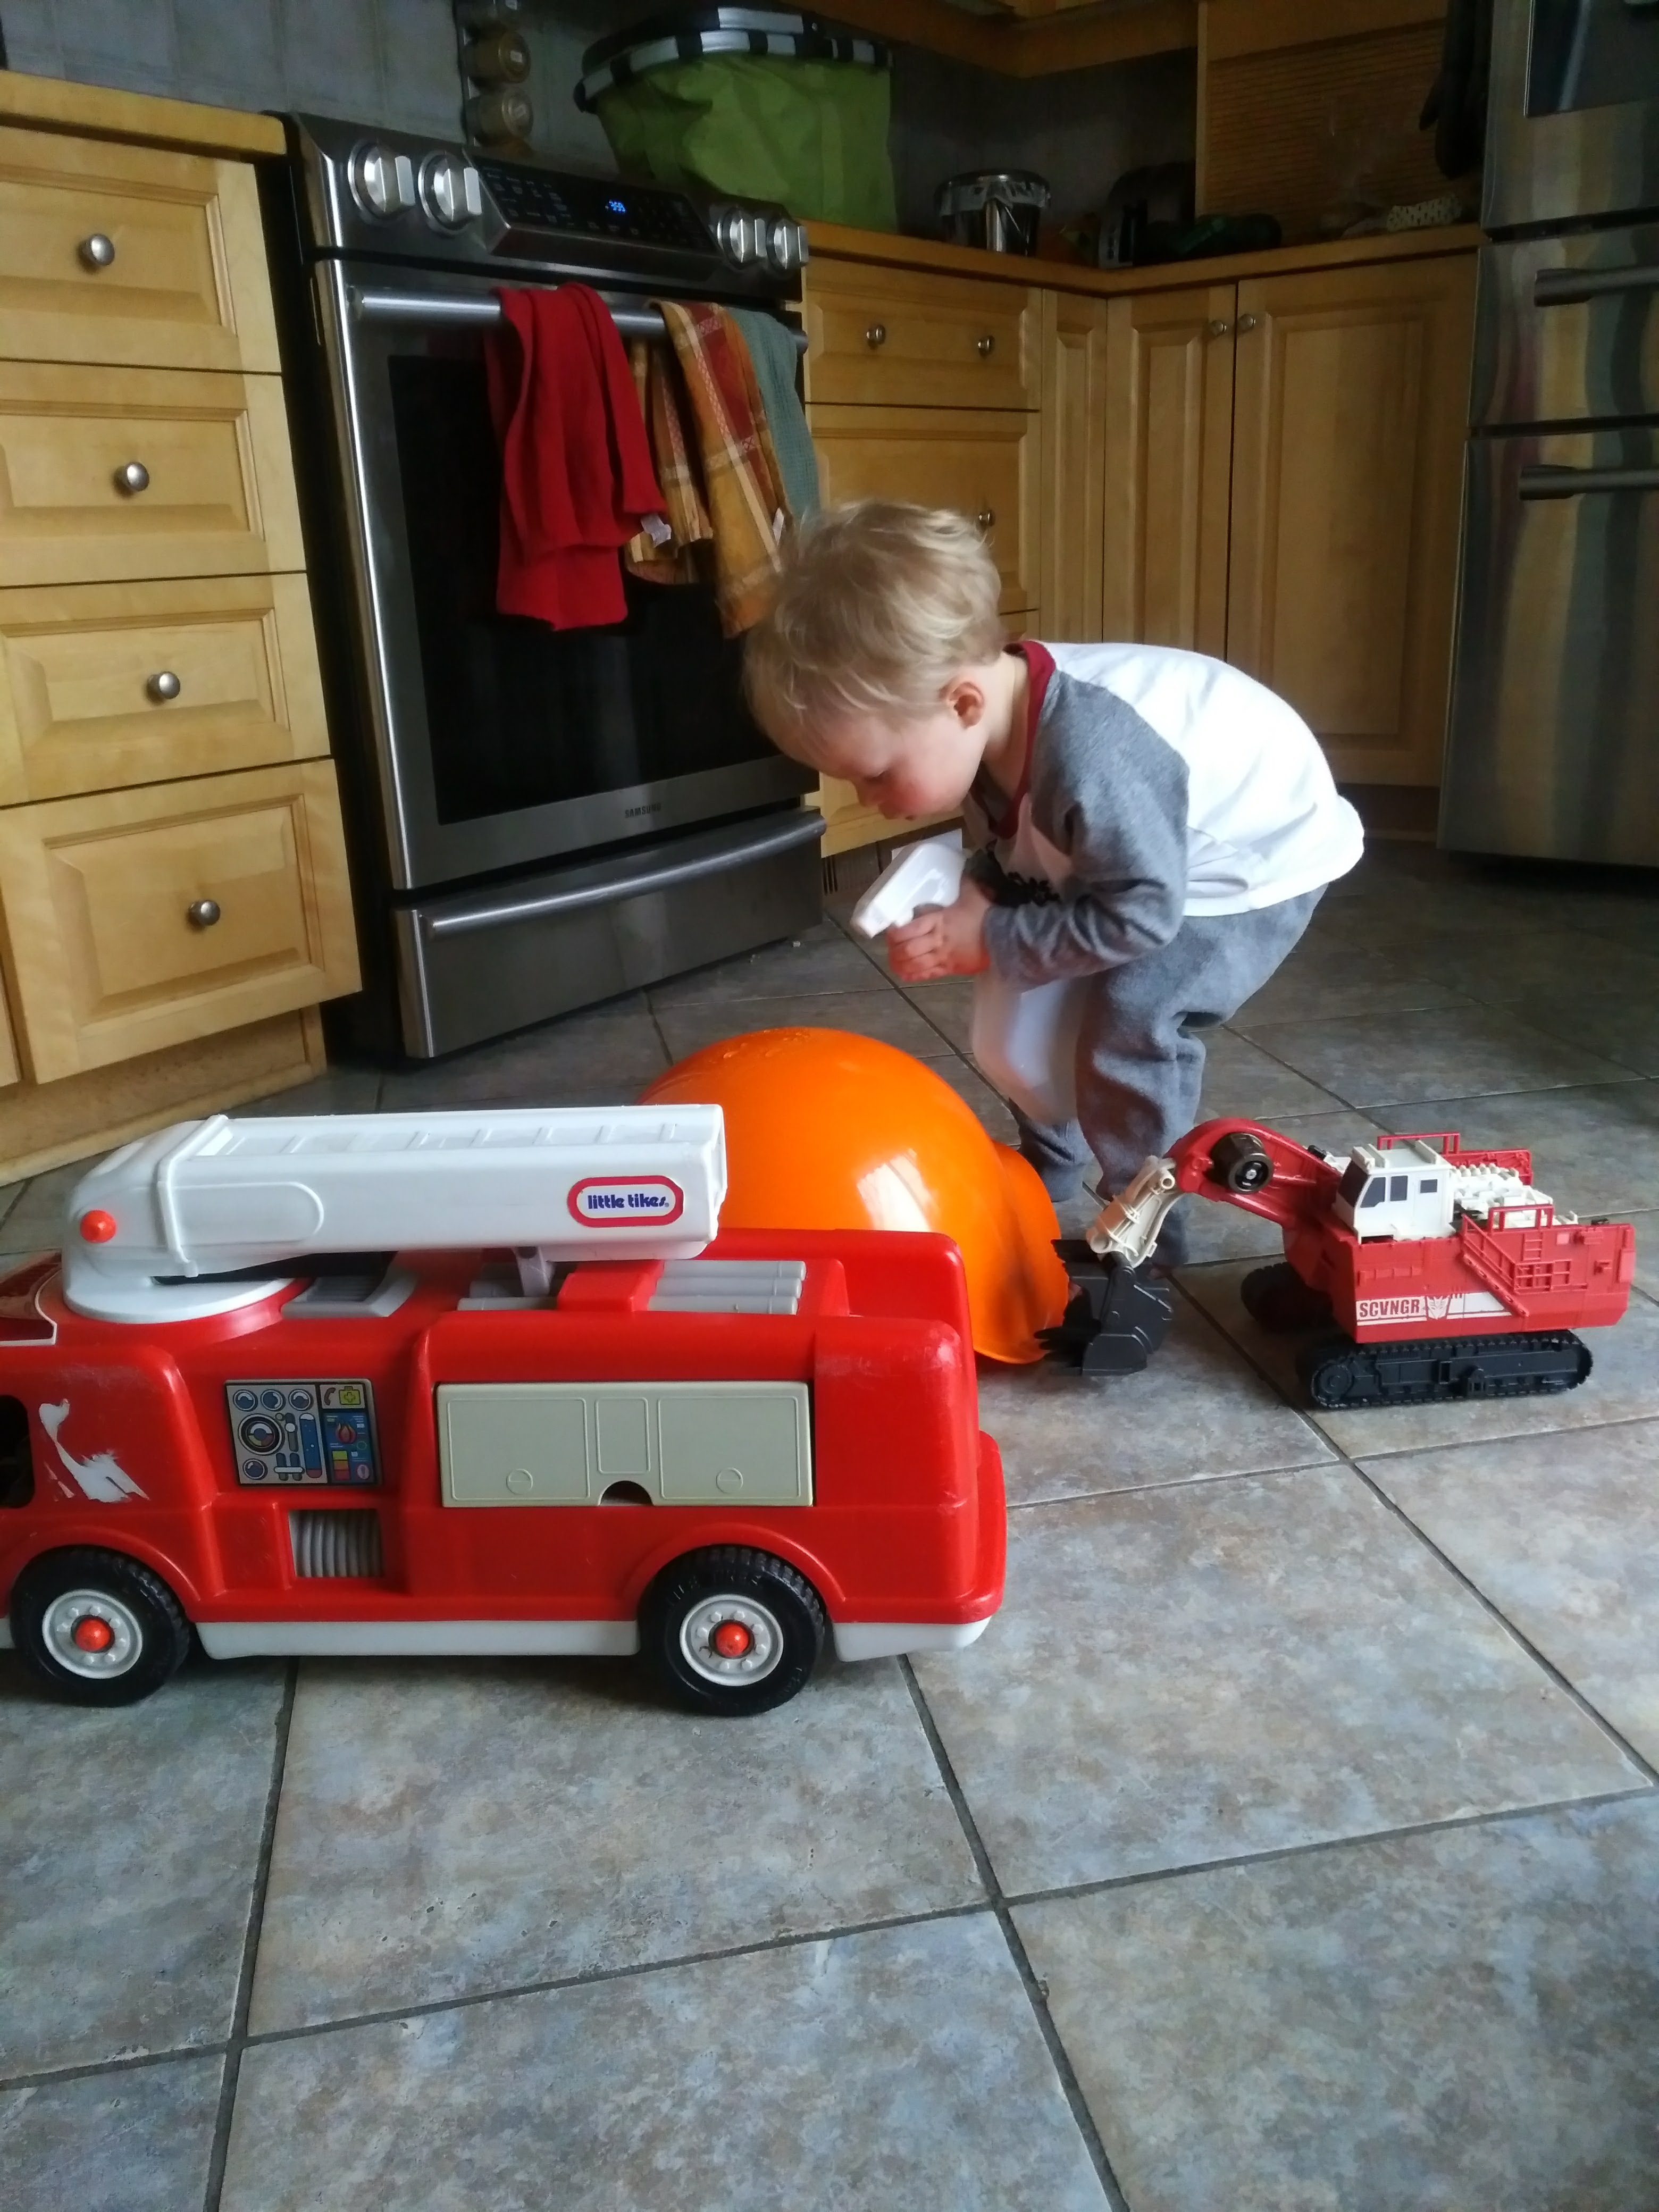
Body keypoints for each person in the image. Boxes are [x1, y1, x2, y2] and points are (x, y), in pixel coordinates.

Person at [743, 500, 1364, 1265]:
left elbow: (1143, 917)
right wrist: (984, 894)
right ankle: (1050, 1163)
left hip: (1247, 857)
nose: (868, 801)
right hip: (1142, 855)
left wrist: (997, 934)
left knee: (1128, 1020)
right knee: (1030, 985)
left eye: (875, 774)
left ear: (962, 703)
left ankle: (1147, 1229)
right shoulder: (986, 725)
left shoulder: (1091, 757)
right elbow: (1030, 848)